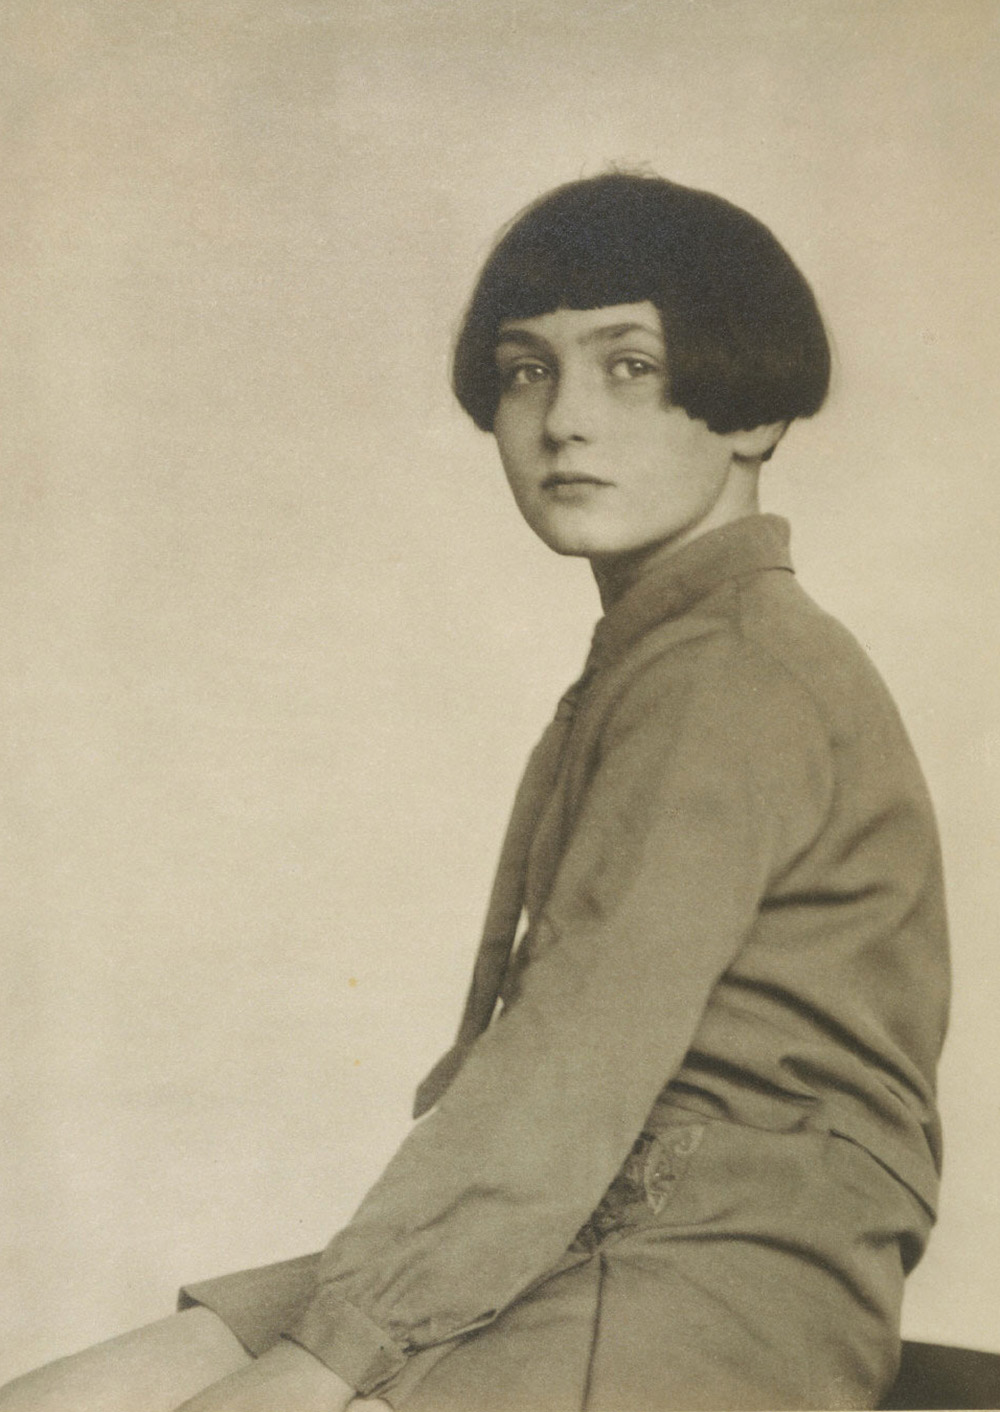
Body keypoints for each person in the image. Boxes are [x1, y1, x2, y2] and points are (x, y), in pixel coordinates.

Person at [0, 172, 949, 1412]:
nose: (563, 421)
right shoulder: (667, 653)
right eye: (525, 370)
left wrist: (327, 1358)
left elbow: (570, 1063)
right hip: (564, 1223)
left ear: (754, 413)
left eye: (630, 367)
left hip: (720, 1270)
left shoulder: (734, 675)